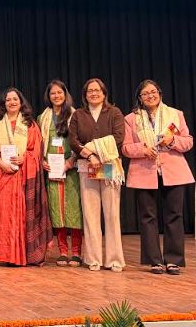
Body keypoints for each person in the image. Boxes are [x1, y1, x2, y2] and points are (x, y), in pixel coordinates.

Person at [122, 80, 195, 275]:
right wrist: (143, 150)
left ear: (160, 94)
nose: (150, 96)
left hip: (173, 171)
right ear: (140, 98)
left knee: (174, 215)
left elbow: (188, 142)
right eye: (145, 94)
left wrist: (172, 140)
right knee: (147, 217)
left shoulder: (175, 114)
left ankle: (173, 260)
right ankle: (154, 260)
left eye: (153, 92)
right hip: (144, 172)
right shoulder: (131, 119)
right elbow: (126, 148)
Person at [0, 87, 50, 266]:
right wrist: (1, 163)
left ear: (21, 102)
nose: (11, 102)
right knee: (4, 213)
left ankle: (24, 255)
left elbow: (36, 151)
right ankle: (7, 255)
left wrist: (24, 158)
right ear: (3, 104)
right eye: (8, 100)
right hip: (2, 172)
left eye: (15, 99)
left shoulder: (30, 124)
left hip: (23, 175)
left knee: (22, 214)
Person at [68, 78, 126, 272]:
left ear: (104, 93)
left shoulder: (114, 112)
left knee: (112, 214)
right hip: (87, 166)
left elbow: (118, 138)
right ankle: (93, 259)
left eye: (97, 90)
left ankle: (114, 260)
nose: (94, 93)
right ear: (85, 95)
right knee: (90, 214)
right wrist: (89, 155)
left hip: (109, 166)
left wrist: (93, 149)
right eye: (90, 91)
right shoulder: (78, 114)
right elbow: (73, 140)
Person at [37, 80, 83, 267]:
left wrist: (70, 161)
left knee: (74, 211)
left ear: (65, 94)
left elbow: (79, 140)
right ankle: (63, 251)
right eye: (52, 93)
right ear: (48, 96)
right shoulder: (43, 117)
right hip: (52, 169)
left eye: (59, 92)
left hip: (71, 168)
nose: (56, 96)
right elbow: (39, 143)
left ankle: (77, 252)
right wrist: (41, 160)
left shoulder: (75, 115)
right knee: (57, 211)